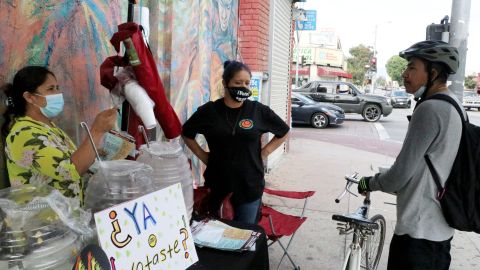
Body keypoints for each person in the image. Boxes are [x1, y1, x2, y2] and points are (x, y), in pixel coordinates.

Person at [357, 41, 463, 270]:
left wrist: (370, 182)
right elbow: (429, 165)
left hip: (418, 234)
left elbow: (401, 174)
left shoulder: (430, 109)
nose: (404, 74)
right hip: (440, 232)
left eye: (412, 67)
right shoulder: (455, 105)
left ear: (433, 73)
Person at [182, 60, 290, 224]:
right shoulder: (210, 111)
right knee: (218, 235)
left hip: (250, 185)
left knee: (244, 235)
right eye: (238, 82)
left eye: (247, 83)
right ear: (225, 83)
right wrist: (203, 155)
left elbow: (283, 131)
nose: (243, 87)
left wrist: (265, 152)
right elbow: (186, 132)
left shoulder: (258, 111)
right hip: (218, 184)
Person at [1, 66, 117, 203]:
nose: (58, 94)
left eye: (57, 88)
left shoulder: (49, 128)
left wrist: (99, 155)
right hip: (42, 222)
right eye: (51, 89)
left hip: (67, 216)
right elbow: (71, 171)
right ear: (29, 97)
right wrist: (97, 131)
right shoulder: (23, 134)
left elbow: (69, 160)